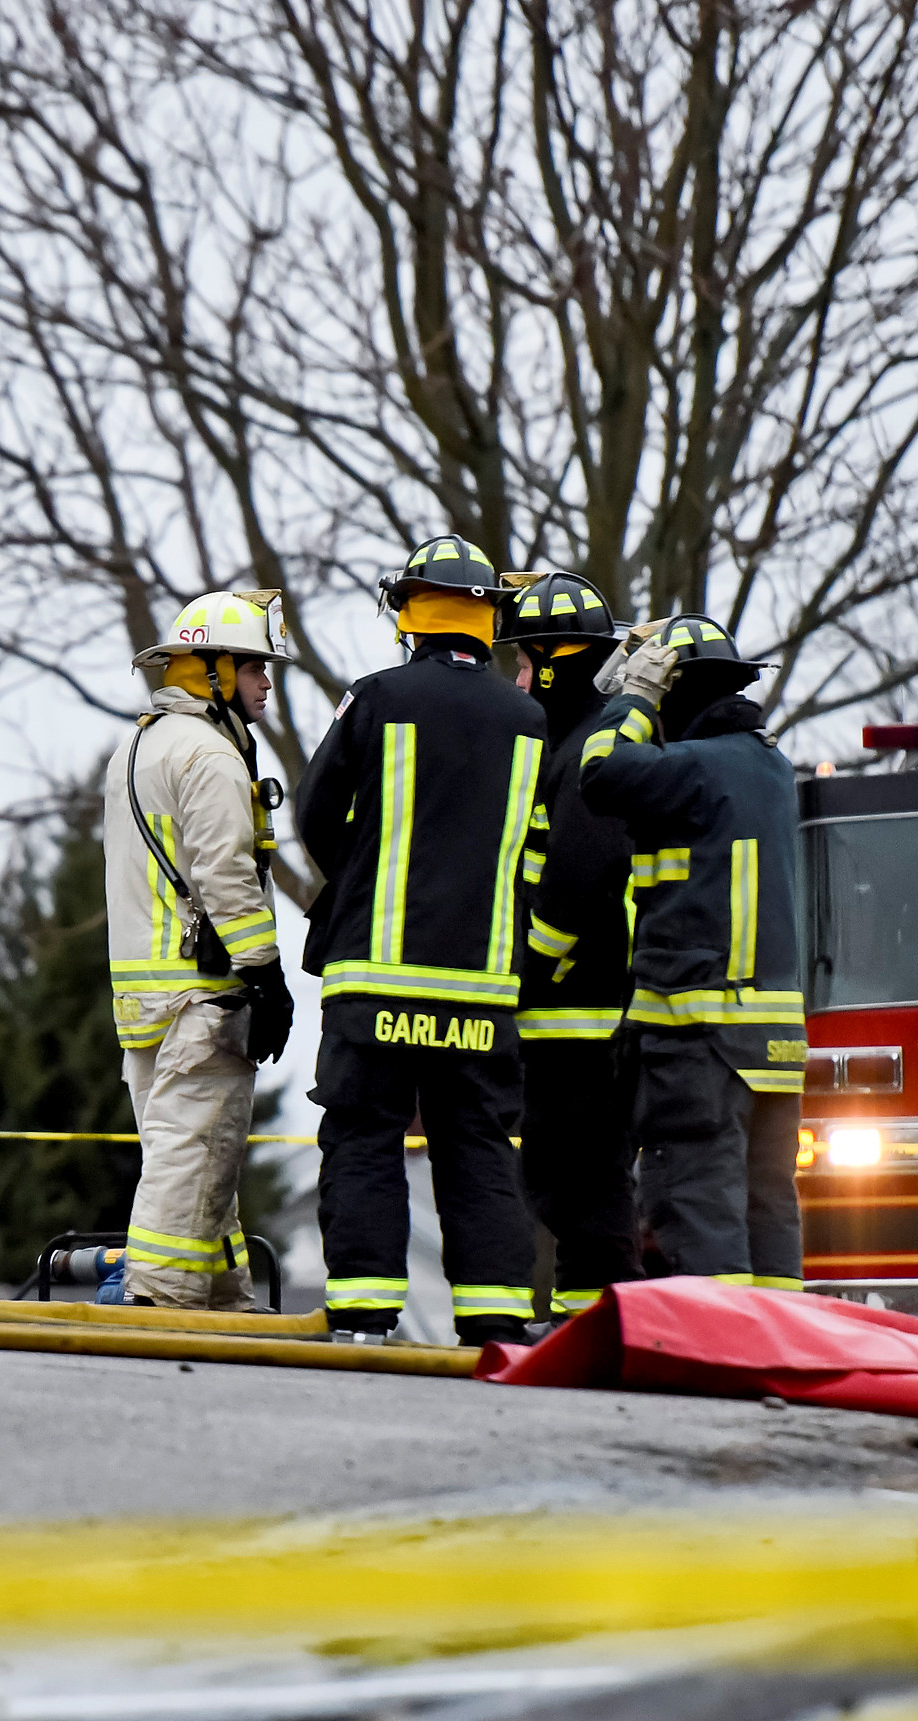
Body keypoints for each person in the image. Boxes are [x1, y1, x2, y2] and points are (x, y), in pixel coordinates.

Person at [296, 534, 545, 1345]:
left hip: (375, 979)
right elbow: (536, 851)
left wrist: (362, 874)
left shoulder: (374, 697)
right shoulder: (528, 718)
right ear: (488, 619)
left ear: (408, 610)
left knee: (364, 1136)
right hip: (481, 986)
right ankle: (496, 1318)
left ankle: (365, 1314)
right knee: (476, 1147)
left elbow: (312, 814)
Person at [577, 613, 805, 1289]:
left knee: (696, 1202)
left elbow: (600, 770)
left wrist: (632, 700)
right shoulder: (769, 766)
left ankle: (721, 1357)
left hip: (699, 1041)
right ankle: (777, 1347)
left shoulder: (697, 766)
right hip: (773, 1046)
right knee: (769, 1210)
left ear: (675, 691)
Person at [104, 590, 298, 1310]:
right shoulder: (211, 755)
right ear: (211, 670)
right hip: (202, 998)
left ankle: (226, 1302)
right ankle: (158, 1302)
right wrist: (266, 975)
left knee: (197, 1156)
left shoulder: (140, 744)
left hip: (146, 1001)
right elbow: (224, 875)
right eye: (254, 667)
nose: (267, 683)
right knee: (190, 1158)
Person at [495, 569, 638, 1318]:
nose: (517, 682)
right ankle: (593, 1322)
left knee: (582, 1182)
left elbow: (583, 871)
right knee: (571, 1186)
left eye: (522, 664)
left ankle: (613, 1322)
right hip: (573, 1016)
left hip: (577, 1015)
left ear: (552, 662)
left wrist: (534, 964)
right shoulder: (573, 740)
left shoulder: (587, 746)